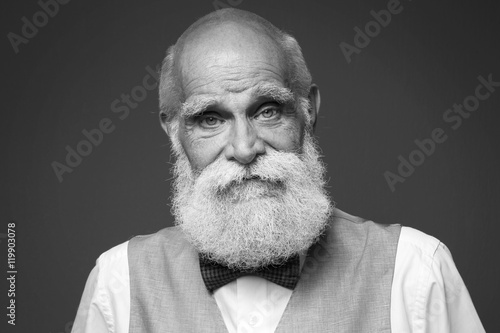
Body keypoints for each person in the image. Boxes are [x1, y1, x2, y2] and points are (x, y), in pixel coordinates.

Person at [71, 8, 485, 333]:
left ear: (308, 111)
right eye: (211, 119)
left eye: (268, 110)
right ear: (173, 130)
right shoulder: (119, 281)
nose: (245, 148)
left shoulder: (415, 271)